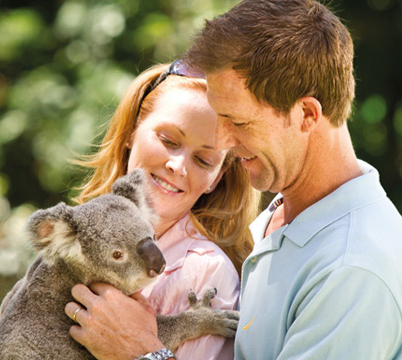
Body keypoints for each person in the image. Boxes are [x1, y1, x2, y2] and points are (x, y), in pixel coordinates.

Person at [67, 1, 402, 359]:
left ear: (306, 114)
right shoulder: (281, 220)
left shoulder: (352, 271)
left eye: (238, 122)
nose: (223, 141)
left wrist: (141, 353)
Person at [63, 62, 260, 360]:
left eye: (204, 160)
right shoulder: (73, 237)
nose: (178, 166)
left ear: (216, 179)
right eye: (168, 141)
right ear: (131, 132)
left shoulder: (205, 274)